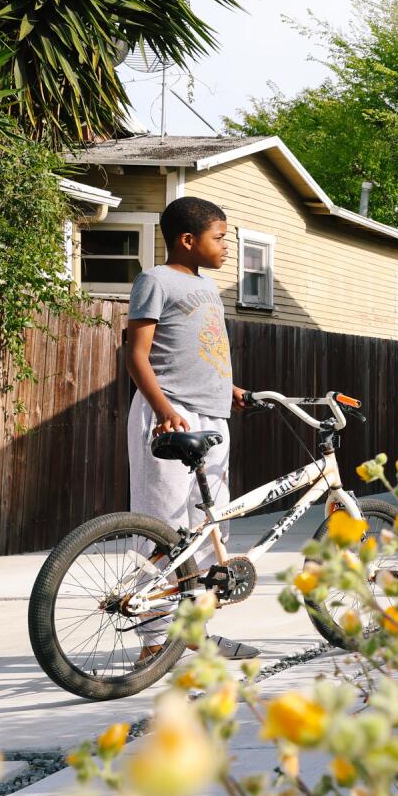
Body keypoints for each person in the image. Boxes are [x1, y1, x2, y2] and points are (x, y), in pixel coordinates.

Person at [122, 196, 254, 660]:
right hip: (171, 414)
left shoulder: (206, 288)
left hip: (211, 417)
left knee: (207, 527)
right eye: (220, 238)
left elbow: (197, 351)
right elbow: (138, 355)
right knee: (165, 528)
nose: (226, 247)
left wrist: (230, 388)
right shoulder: (155, 280)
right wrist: (162, 410)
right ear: (187, 239)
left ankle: (193, 630)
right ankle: (154, 640)